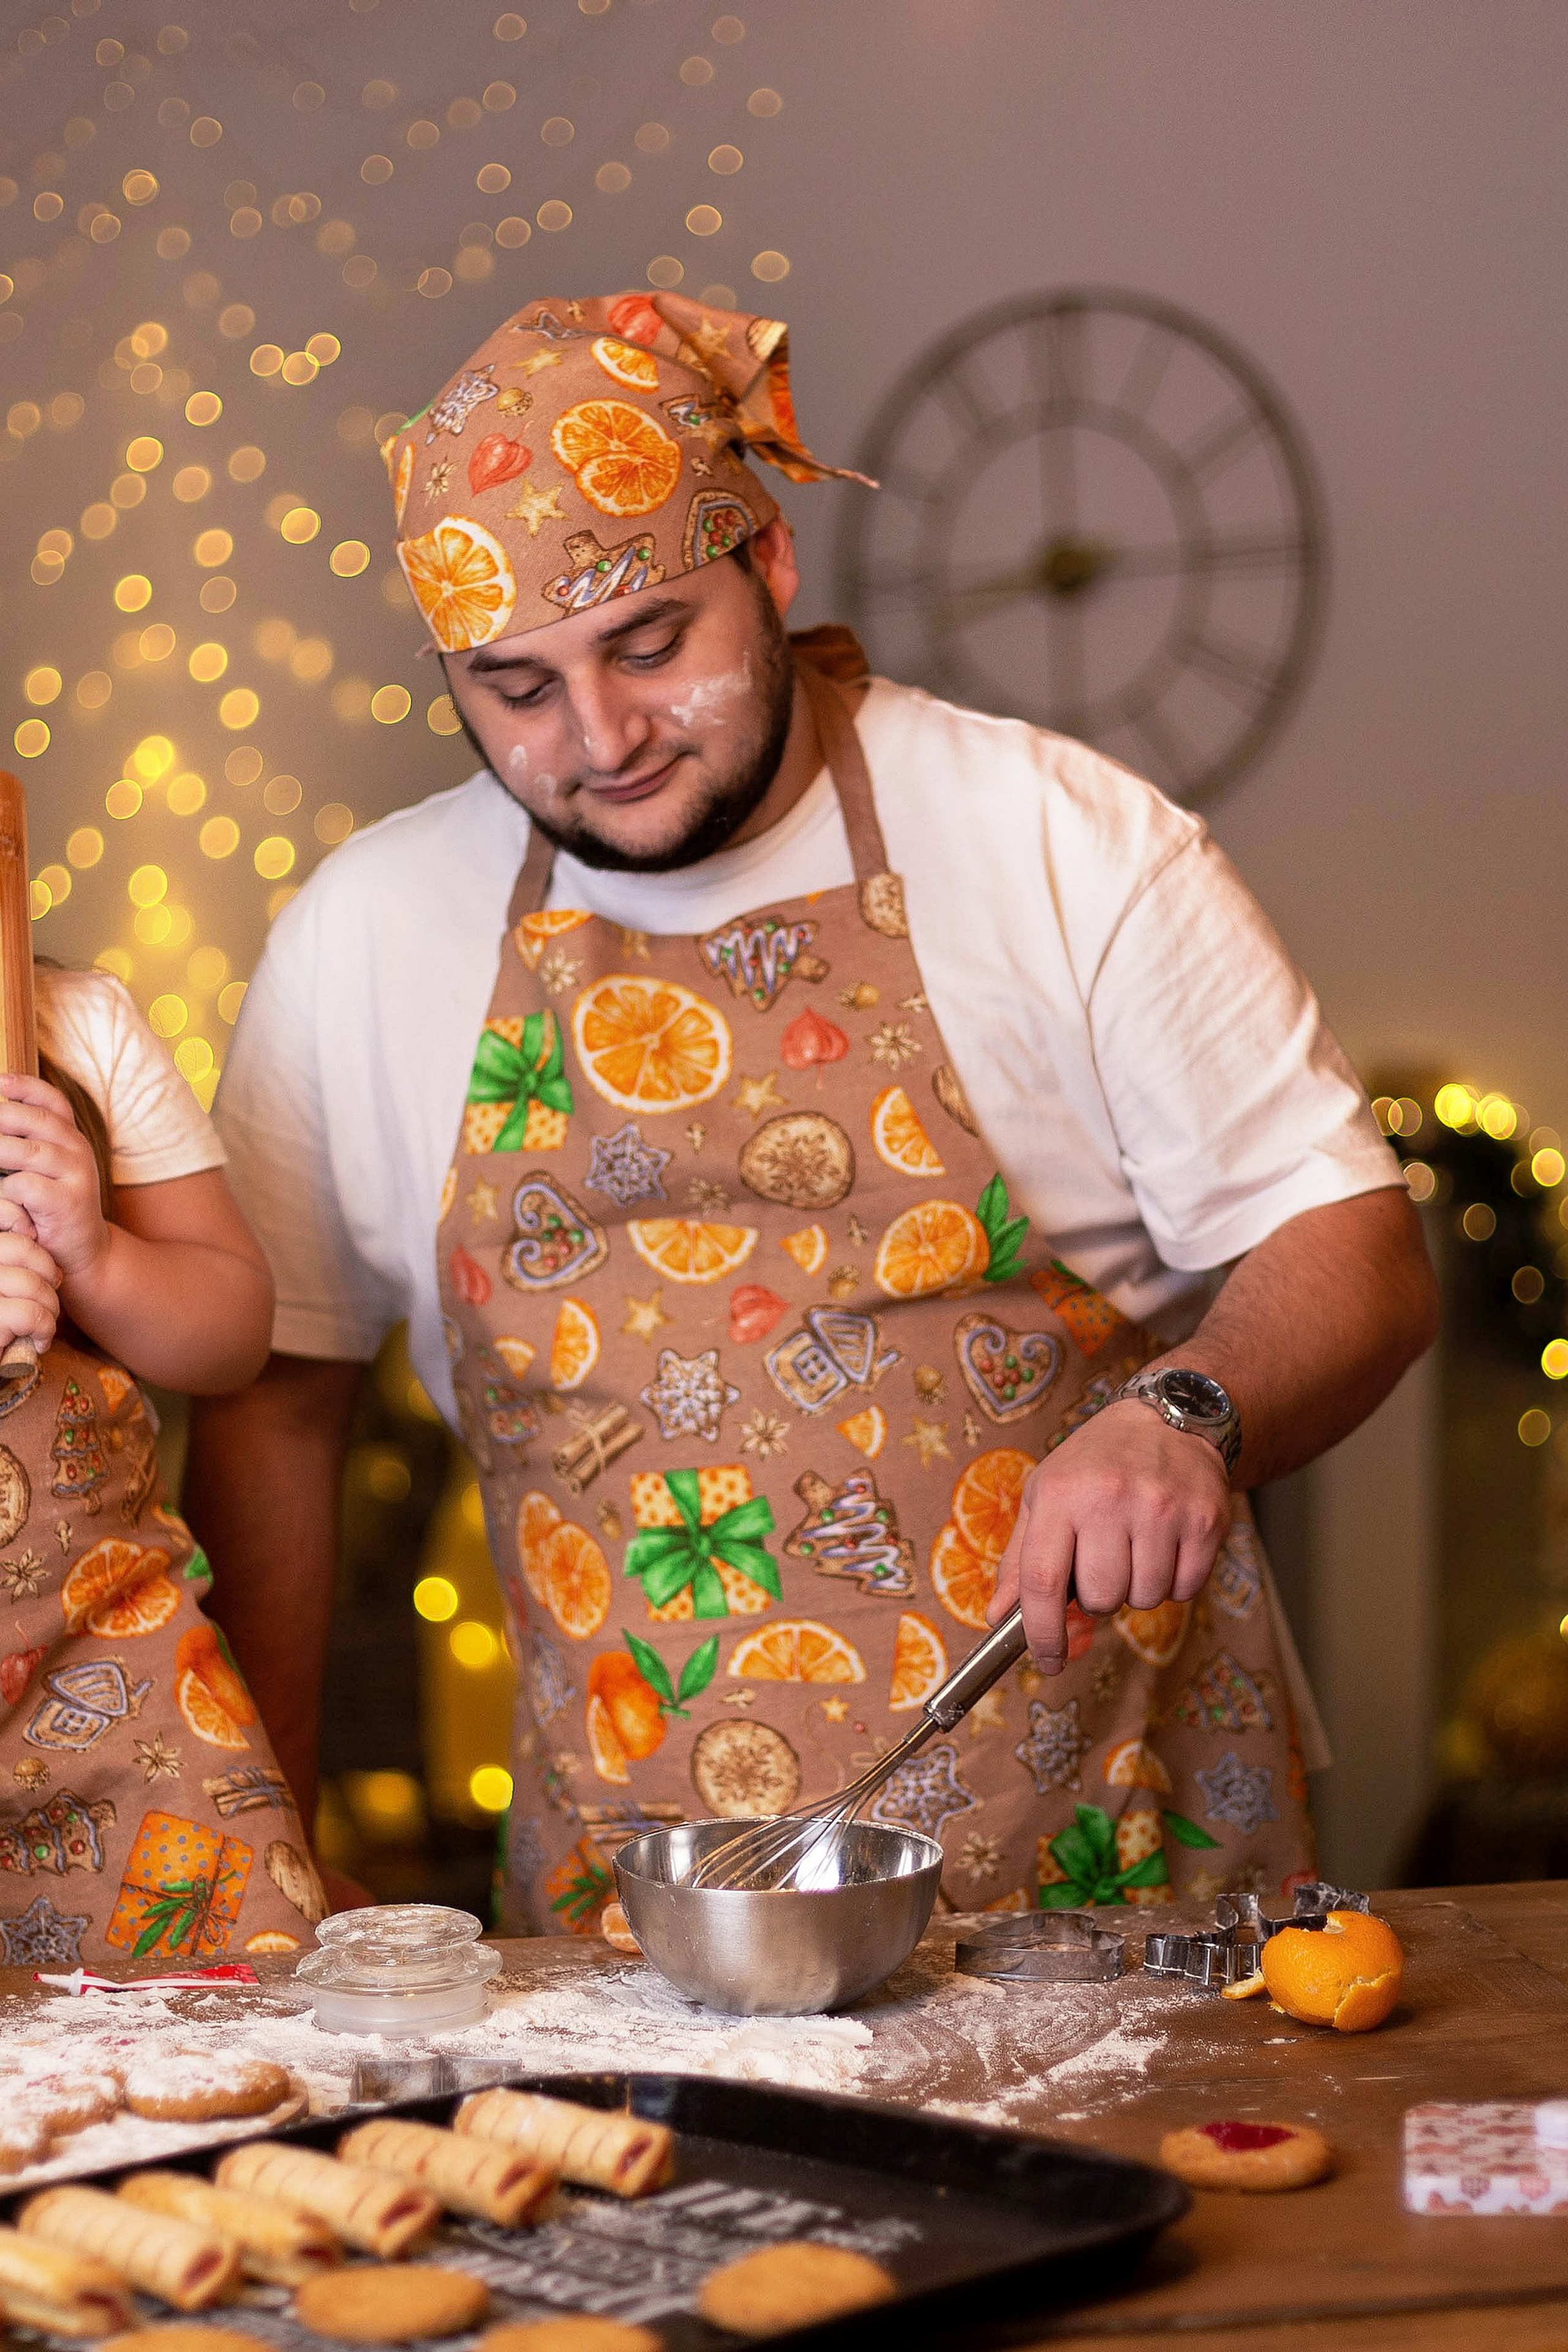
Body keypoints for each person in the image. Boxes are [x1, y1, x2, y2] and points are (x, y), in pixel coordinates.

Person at [187, 289, 1437, 1929]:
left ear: (770, 561)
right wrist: (269, 1844)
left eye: (651, 645)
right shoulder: (365, 935)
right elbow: (277, 1403)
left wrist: (1188, 1412)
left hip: (1114, 1894)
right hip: (642, 1930)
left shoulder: (1058, 838)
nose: (601, 736)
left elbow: (1357, 1250)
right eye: (516, 688)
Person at [0, 963, 323, 1967]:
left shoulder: (74, 1027)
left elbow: (232, 1336)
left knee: (245, 1992)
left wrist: (99, 1256)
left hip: (117, 1674)